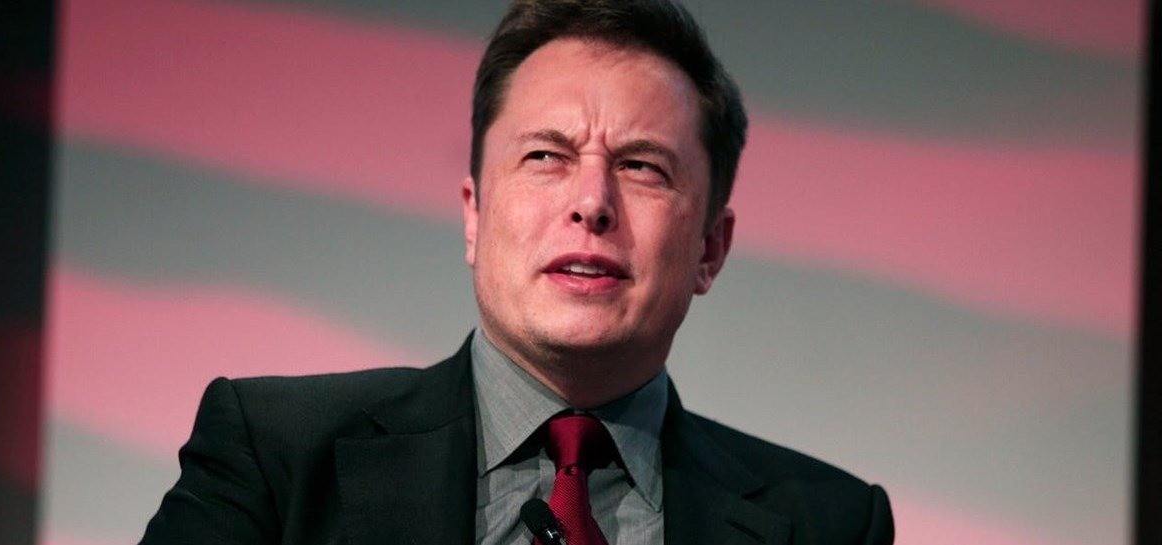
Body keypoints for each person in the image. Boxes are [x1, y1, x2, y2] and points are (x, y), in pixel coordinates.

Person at [140, 1, 895, 544]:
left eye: (642, 166)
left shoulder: (827, 523)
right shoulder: (277, 457)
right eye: (545, 156)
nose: (592, 203)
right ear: (474, 214)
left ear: (710, 249)